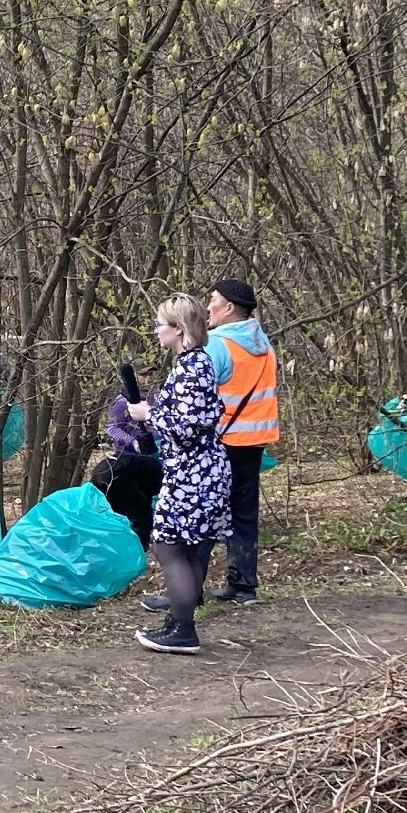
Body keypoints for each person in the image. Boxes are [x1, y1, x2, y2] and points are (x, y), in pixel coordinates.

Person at [127, 294, 231, 654]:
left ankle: (183, 629)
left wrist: (147, 417)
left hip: (193, 473)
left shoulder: (192, 367)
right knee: (182, 548)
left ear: (179, 329)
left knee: (169, 546)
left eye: (160, 324)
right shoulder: (194, 364)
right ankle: (178, 621)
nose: (156, 331)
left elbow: (187, 426)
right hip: (197, 470)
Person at [203, 279, 277, 605]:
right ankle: (243, 586)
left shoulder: (216, 345)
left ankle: (186, 590)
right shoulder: (264, 345)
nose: (208, 306)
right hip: (254, 441)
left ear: (229, 307)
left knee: (201, 515)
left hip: (221, 442)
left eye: (213, 300)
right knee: (244, 514)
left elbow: (201, 399)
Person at [90, 390, 163, 544]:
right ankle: (137, 550)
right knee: (140, 514)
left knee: (136, 508)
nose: (148, 377)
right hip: (123, 464)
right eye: (144, 374)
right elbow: (111, 428)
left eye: (152, 373)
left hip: (149, 457)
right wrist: (132, 441)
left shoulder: (158, 396)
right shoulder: (122, 403)